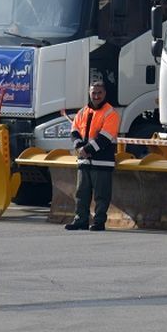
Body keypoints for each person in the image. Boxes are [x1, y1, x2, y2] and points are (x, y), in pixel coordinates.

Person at [66, 81, 120, 232]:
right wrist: (78, 147)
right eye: (93, 93)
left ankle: (99, 222)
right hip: (84, 160)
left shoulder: (111, 113)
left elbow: (105, 137)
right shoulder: (82, 112)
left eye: (99, 93)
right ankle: (80, 220)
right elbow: (74, 131)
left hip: (102, 161)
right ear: (89, 93)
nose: (96, 96)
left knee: (101, 195)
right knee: (81, 193)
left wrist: (86, 149)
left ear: (104, 94)